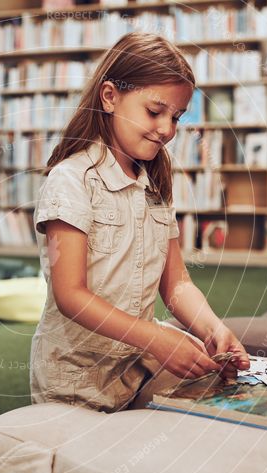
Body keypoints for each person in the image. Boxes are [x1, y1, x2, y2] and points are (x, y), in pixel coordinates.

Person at [29, 32, 250, 413]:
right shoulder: (70, 180)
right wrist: (156, 338)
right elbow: (71, 295)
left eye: (176, 117)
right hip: (75, 381)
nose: (167, 129)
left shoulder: (157, 184)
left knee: (223, 389)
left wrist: (212, 328)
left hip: (136, 369)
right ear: (110, 96)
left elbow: (176, 283)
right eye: (154, 111)